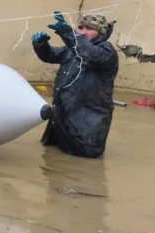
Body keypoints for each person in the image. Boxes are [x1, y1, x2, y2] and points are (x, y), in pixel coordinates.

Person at [31, 11, 118, 159]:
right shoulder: (74, 48)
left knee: (83, 168)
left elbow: (91, 55)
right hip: (61, 120)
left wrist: (67, 32)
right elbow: (50, 55)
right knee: (52, 165)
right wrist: (41, 45)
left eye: (89, 29)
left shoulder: (107, 51)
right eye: (81, 27)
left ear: (101, 32)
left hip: (87, 127)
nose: (83, 32)